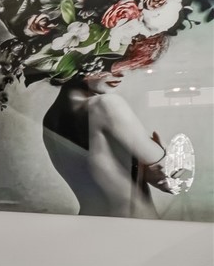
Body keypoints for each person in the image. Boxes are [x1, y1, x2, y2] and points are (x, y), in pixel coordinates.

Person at [41, 61, 172, 218]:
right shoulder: (107, 105)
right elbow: (169, 177)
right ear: (76, 60)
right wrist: (163, 150)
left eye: (124, 65)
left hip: (88, 224)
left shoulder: (50, 117)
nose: (121, 73)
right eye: (110, 64)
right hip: (133, 227)